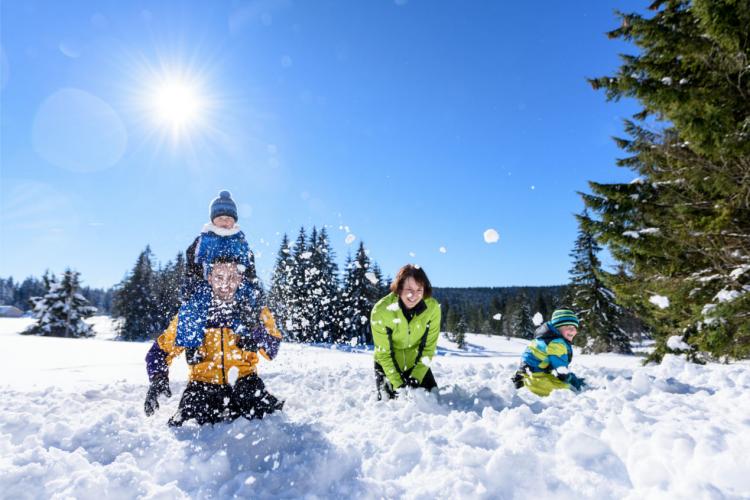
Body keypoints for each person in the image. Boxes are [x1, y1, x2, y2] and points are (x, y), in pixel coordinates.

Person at [144, 257, 284, 426]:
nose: (225, 285)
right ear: (209, 277)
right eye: (219, 277)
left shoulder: (254, 308)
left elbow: (272, 350)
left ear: (241, 278)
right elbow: (160, 351)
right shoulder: (192, 313)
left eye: (232, 277)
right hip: (202, 387)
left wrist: (255, 327)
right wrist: (158, 378)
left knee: (265, 422)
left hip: (245, 384)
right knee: (191, 427)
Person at [176, 190, 258, 350]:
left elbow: (249, 265)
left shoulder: (240, 240)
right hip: (208, 283)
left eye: (229, 218)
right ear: (213, 220)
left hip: (235, 283)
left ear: (234, 221)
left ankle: (247, 337)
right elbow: (192, 264)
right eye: (221, 218)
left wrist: (251, 284)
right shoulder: (203, 239)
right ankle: (191, 346)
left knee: (249, 302)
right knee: (193, 305)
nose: (225, 221)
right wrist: (191, 282)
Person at [370, 264, 441, 400]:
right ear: (399, 288)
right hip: (388, 365)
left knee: (431, 400)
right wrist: (398, 384)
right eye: (409, 289)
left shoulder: (432, 309)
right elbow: (384, 354)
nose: (414, 295)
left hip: (415, 362)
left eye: (419, 289)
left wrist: (416, 376)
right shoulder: (381, 311)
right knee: (389, 404)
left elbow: (428, 348)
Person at [512, 308, 586, 396]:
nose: (573, 331)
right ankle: (526, 386)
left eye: (574, 327)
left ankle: (524, 382)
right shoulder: (556, 343)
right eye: (568, 327)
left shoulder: (547, 338)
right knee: (565, 390)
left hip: (530, 373)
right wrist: (573, 381)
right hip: (534, 379)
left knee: (562, 382)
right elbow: (561, 371)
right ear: (557, 328)